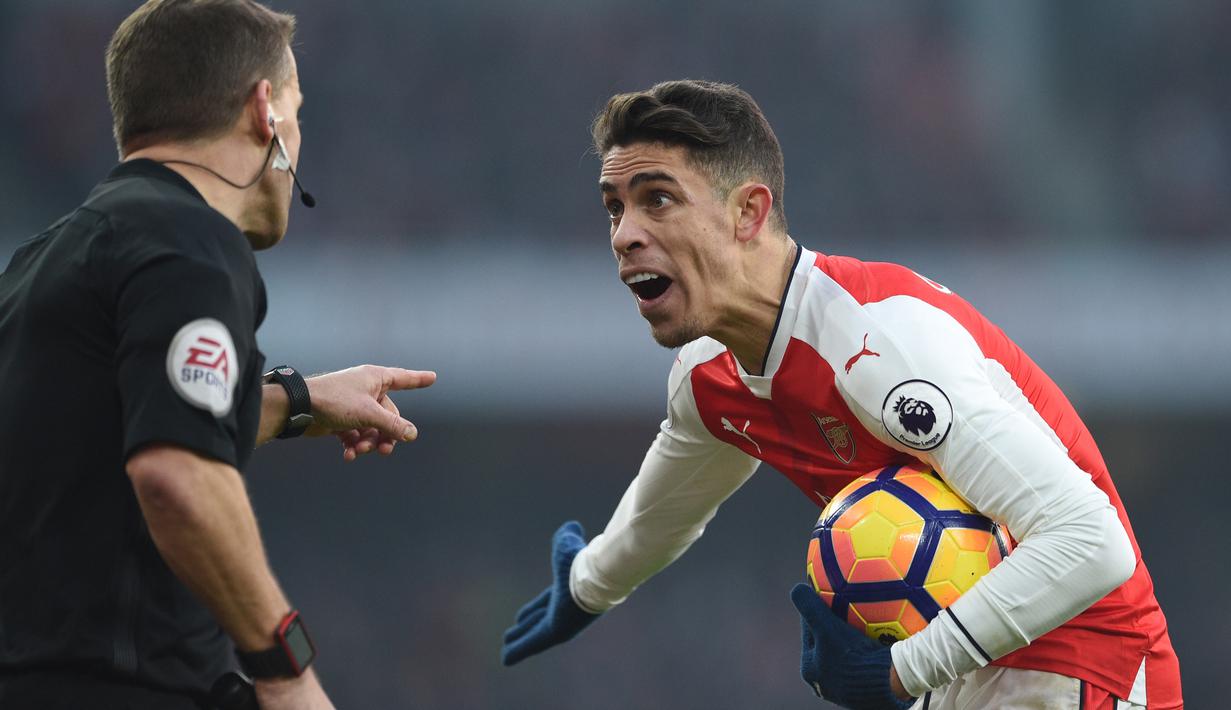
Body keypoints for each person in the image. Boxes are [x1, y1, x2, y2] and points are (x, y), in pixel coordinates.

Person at [500, 80, 1182, 710]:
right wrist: (586, 587)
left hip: (1087, 666)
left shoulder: (875, 344)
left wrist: (895, 673)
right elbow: (665, 514)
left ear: (748, 212)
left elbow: (1090, 541)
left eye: (658, 199)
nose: (624, 235)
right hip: (963, 675)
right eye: (614, 207)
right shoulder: (708, 378)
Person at [0, 2, 435, 709]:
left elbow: (106, 425)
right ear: (265, 109)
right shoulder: (190, 240)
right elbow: (176, 474)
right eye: (297, 110)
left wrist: (300, 402)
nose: (299, 136)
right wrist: (286, 669)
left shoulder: (39, 265)